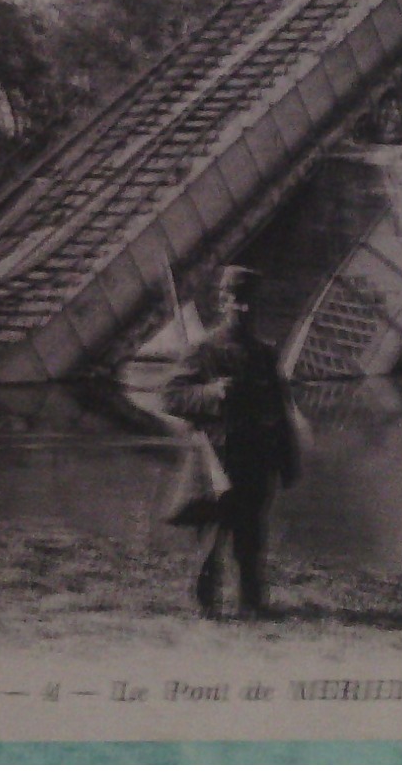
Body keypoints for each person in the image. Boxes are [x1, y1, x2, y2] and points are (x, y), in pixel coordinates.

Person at [164, 265, 301, 618]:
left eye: (249, 303)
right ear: (223, 301)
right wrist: (209, 392)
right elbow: (172, 397)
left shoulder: (264, 354)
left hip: (257, 461)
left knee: (251, 539)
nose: (243, 309)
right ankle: (204, 607)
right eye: (236, 301)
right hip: (219, 462)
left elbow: (279, 410)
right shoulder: (204, 350)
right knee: (212, 539)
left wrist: (287, 462)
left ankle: (252, 607)